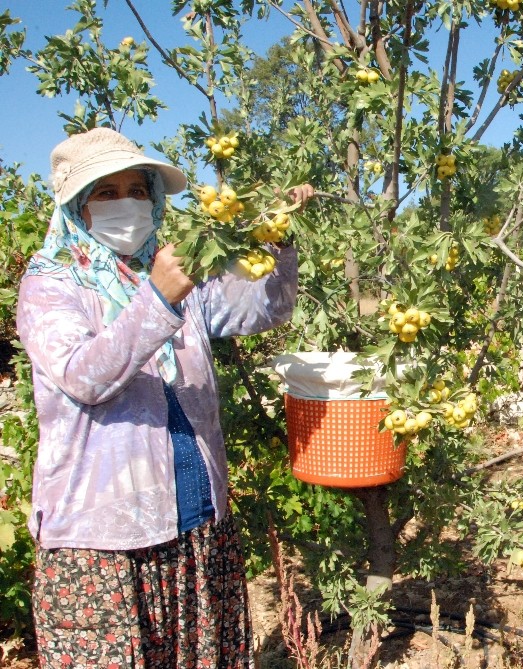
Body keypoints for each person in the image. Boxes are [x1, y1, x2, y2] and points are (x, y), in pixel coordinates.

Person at [16, 127, 314, 667]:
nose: (125, 202)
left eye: (136, 188)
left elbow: (262, 310)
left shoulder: (174, 270)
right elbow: (84, 377)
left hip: (195, 516)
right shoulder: (52, 284)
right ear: (78, 207)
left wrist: (280, 237)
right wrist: (157, 298)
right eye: (106, 192)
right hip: (102, 539)